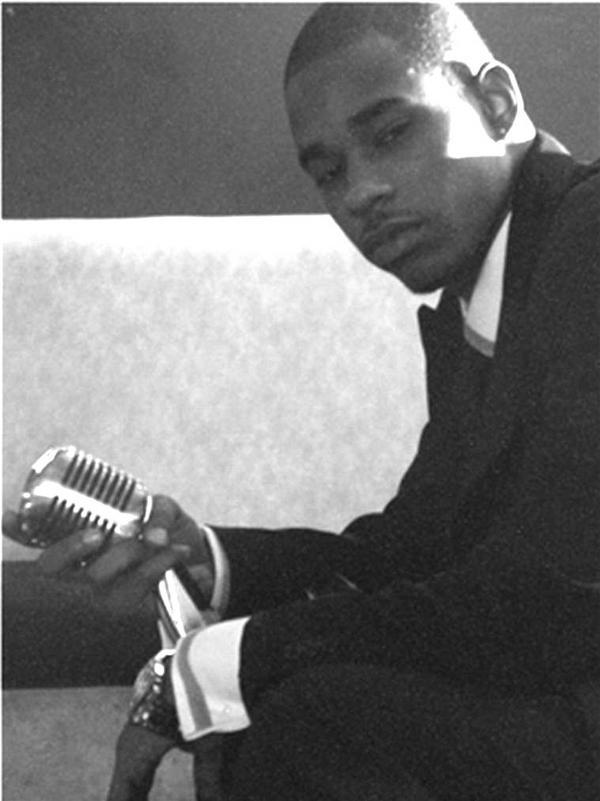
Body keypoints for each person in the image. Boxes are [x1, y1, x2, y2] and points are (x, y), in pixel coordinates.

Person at [4, 3, 599, 799]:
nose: (361, 192)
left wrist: (223, 663)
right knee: (297, 710)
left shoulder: (588, 242)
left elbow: (550, 598)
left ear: (494, 102)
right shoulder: (492, 295)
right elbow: (410, 551)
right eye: (329, 172)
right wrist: (206, 557)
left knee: (313, 718)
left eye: (391, 133)